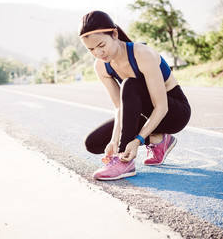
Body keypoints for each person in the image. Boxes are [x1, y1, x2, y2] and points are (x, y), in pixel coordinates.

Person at [79, 11, 191, 181]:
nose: (99, 53)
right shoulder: (101, 66)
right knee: (94, 143)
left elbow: (161, 107)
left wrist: (137, 140)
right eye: (91, 49)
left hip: (173, 113)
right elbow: (119, 108)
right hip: (145, 114)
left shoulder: (142, 54)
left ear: (114, 34)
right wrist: (114, 140)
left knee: (130, 84)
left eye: (101, 45)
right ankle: (158, 139)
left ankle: (125, 162)